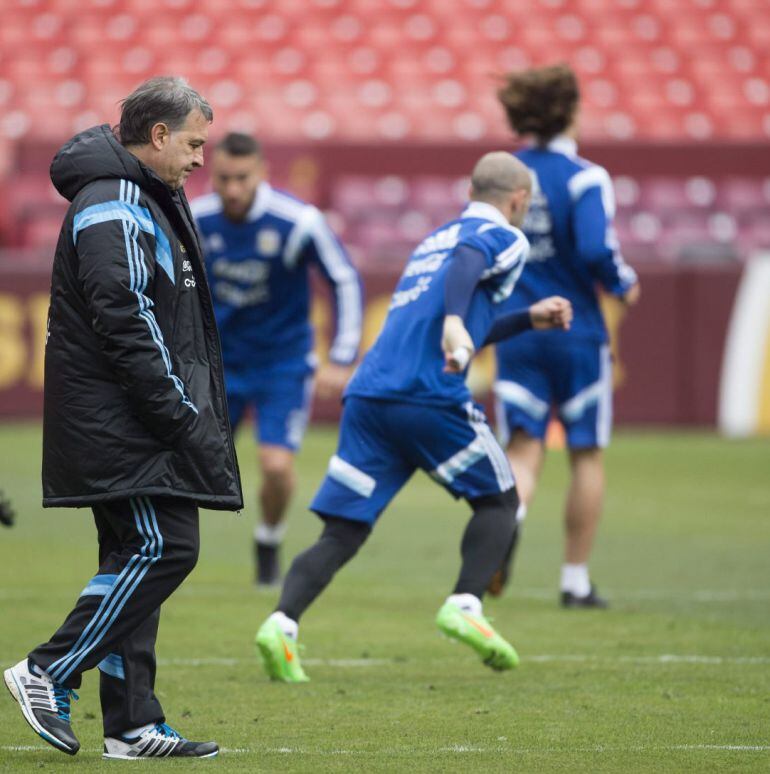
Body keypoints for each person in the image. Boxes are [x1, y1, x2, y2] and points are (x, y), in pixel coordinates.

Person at [254, 152, 573, 682]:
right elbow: (470, 270)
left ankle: (281, 623)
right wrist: (453, 321)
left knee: (343, 531)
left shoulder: (432, 241)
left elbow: (465, 322)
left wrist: (525, 320)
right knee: (500, 500)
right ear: (518, 199)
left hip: (370, 396)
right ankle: (466, 603)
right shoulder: (503, 239)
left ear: (471, 189)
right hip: (428, 395)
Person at [3, 77, 242, 760]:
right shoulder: (115, 199)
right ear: (159, 135)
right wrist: (175, 408)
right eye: (194, 143)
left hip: (129, 416)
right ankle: (49, 667)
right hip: (127, 419)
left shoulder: (138, 195)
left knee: (133, 557)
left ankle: (132, 722)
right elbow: (124, 311)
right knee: (165, 548)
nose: (201, 158)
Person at [490, 64, 640, 607]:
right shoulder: (585, 176)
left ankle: (512, 519)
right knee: (585, 453)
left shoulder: (504, 175)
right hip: (577, 329)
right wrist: (624, 284)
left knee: (525, 447)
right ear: (571, 109)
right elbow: (599, 249)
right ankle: (575, 581)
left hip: (519, 329)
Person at [191, 133, 362, 587]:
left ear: (262, 173)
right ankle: (164, 557)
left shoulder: (298, 221)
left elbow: (344, 279)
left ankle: (268, 537)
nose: (231, 189)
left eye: (241, 179)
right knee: (188, 465)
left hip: (282, 364)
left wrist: (341, 357)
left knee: (276, 466)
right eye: (223, 178)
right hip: (215, 363)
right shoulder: (194, 217)